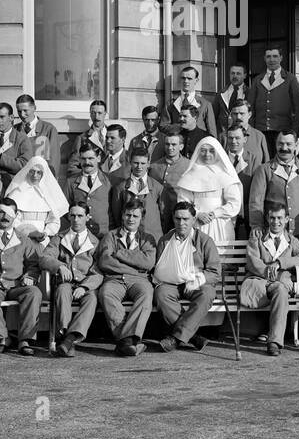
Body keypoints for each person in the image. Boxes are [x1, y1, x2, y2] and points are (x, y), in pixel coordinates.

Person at [0, 197, 45, 355]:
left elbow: (33, 263)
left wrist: (30, 275)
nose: (5, 217)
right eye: (1, 212)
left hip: (17, 285)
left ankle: (25, 340)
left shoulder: (23, 240)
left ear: (15, 216)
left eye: (9, 213)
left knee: (34, 292)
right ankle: (2, 337)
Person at [152, 202, 221, 352]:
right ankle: (192, 336)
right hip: (170, 284)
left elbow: (215, 273)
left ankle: (176, 338)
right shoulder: (164, 241)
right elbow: (158, 269)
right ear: (173, 218)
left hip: (194, 284)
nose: (181, 223)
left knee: (208, 293)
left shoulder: (204, 240)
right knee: (161, 294)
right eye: (178, 218)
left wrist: (200, 279)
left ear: (194, 219)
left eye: (186, 219)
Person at [242, 202, 299, 356]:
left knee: (281, 290)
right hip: (258, 282)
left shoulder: (292, 241)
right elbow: (252, 262)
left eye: (279, 218)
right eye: (272, 218)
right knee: (281, 287)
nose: (275, 222)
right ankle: (273, 339)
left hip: (278, 286)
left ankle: (274, 342)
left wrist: (280, 263)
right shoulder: (257, 237)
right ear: (267, 218)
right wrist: (273, 273)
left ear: (286, 219)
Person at [96, 200, 157, 357]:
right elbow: (104, 261)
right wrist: (134, 265)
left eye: (135, 216)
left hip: (140, 280)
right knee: (106, 294)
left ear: (141, 218)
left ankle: (125, 341)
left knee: (146, 294)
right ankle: (129, 341)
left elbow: (148, 263)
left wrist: (120, 254)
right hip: (114, 279)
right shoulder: (110, 236)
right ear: (122, 216)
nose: (131, 219)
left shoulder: (147, 238)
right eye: (128, 215)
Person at [246, 130, 299, 247]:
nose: (284, 148)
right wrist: (256, 225)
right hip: (274, 234)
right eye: (280, 144)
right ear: (275, 144)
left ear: (296, 145)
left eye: (289, 144)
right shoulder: (264, 170)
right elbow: (256, 201)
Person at [47, 204, 102, 358]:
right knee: (62, 291)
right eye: (72, 216)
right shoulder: (59, 238)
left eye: (80, 216)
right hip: (65, 283)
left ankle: (69, 339)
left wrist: (84, 287)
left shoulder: (95, 242)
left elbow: (98, 272)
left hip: (85, 285)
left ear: (87, 217)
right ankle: (65, 335)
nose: (76, 219)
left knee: (92, 298)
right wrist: (59, 266)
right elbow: (45, 258)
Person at [176, 137, 243, 245]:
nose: (207, 154)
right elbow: (183, 203)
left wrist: (215, 213)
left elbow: (234, 203)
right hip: (197, 224)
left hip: (220, 225)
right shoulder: (190, 176)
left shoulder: (225, 175)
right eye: (203, 150)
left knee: (221, 259)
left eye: (211, 151)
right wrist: (197, 214)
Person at [245, 46, 299, 155]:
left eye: (275, 56)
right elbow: (250, 108)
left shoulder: (290, 79)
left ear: (281, 58)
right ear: (264, 58)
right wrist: (252, 131)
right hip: (260, 132)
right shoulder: (258, 80)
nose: (272, 60)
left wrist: (294, 134)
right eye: (268, 57)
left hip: (283, 133)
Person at [109, 143, 165, 238]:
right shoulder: (120, 188)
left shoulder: (157, 187)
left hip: (152, 238)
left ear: (148, 163)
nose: (139, 167)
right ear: (130, 162)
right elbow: (117, 215)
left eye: (143, 163)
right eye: (136, 163)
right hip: (128, 237)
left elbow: (164, 216)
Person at [5, 158, 68, 239]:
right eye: (32, 171)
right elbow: (12, 220)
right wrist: (28, 233)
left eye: (39, 172)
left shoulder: (49, 195)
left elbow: (54, 221)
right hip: (20, 238)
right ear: (27, 171)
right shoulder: (17, 193)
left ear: (44, 174)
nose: (35, 175)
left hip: (42, 239)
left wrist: (46, 232)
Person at [65, 143, 111, 235]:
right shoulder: (71, 182)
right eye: (83, 159)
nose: (87, 162)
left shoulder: (109, 181)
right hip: (79, 234)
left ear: (98, 158)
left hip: (104, 234)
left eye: (90, 158)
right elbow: (64, 208)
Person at [223, 125, 258, 239]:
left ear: (245, 139)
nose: (233, 141)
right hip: (226, 214)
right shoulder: (220, 160)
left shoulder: (254, 159)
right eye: (230, 138)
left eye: (237, 138)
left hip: (247, 213)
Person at [165, 64, 218, 137]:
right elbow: (163, 126)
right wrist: (179, 126)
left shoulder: (205, 104)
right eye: (183, 78)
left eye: (189, 78)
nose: (186, 81)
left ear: (196, 80)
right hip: (178, 144)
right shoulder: (171, 103)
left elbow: (212, 132)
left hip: (198, 142)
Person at [15, 94, 60, 177]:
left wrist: (50, 179)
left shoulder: (48, 129)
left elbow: (54, 160)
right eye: (19, 111)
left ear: (34, 108)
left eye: (25, 110)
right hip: (20, 178)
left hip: (40, 178)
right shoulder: (14, 130)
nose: (22, 114)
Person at [220, 98, 269, 166]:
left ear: (249, 114)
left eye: (242, 113)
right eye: (235, 114)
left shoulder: (259, 137)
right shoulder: (223, 137)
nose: (238, 117)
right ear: (231, 115)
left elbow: (266, 165)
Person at [214, 63, 251, 132]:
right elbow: (214, 117)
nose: (235, 76)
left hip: (241, 135)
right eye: (232, 73)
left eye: (238, 74)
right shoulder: (221, 94)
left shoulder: (250, 94)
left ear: (245, 75)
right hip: (222, 135)